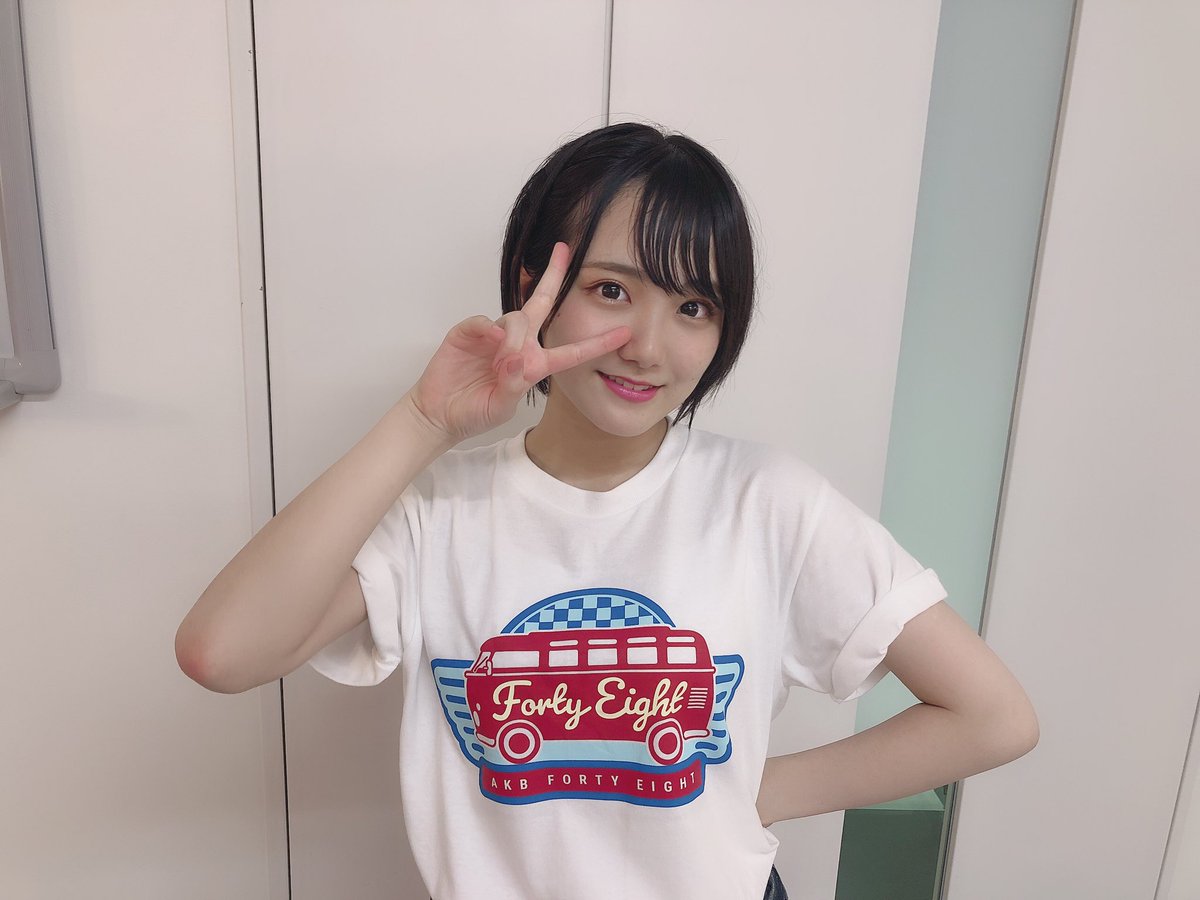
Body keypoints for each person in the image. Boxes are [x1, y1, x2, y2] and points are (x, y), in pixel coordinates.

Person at [176, 122, 1038, 900]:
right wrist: (423, 421)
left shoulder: (769, 503)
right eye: (613, 291)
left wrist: (759, 791)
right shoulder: (440, 512)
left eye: (693, 307)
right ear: (536, 286)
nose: (650, 348)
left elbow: (993, 716)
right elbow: (221, 652)